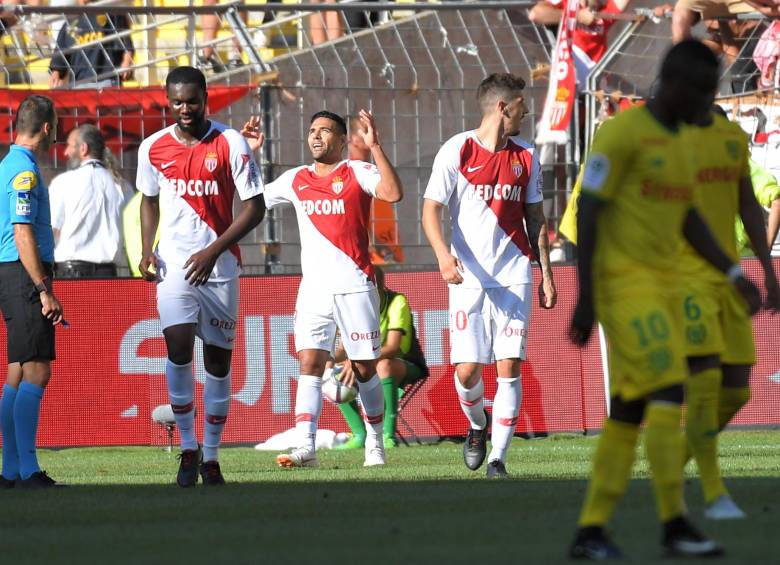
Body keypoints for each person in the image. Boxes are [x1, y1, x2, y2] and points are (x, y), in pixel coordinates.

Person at [567, 40, 762, 559]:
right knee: (671, 388)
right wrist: (586, 297)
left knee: (630, 408)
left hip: (664, 286)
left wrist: (732, 270)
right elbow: (589, 211)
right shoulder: (622, 133)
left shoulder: (681, 143)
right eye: (701, 92)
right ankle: (674, 522)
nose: (707, 102)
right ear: (673, 85)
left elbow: (689, 217)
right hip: (623, 288)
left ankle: (591, 531)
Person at [241, 109, 403, 468]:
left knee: (363, 369)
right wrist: (247, 155)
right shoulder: (296, 179)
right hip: (313, 290)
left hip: (355, 287)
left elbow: (393, 193)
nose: (316, 136)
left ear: (343, 141)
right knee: (310, 363)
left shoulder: (356, 171)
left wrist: (375, 147)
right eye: (312, 130)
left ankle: (375, 441)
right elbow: (252, 199)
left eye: (326, 131)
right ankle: (305, 446)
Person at [422, 73, 558, 479]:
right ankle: (478, 425)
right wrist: (443, 256)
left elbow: (536, 218)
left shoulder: (526, 156)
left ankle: (498, 458)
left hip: (514, 271)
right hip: (467, 276)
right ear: (503, 107)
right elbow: (431, 209)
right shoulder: (457, 150)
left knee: (509, 365)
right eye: (521, 105)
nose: (526, 112)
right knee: (467, 371)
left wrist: (546, 273)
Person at [137, 66, 266, 487]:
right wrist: (145, 249)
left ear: (205, 98)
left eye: (192, 100)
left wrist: (212, 250)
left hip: (221, 264)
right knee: (177, 347)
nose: (185, 108)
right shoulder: (152, 147)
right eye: (176, 101)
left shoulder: (230, 142)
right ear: (167, 101)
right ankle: (189, 447)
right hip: (174, 265)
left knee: (218, 362)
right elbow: (148, 201)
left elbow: (255, 208)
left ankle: (212, 455)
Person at [678, 103, 780, 520]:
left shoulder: (735, 155)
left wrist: (766, 270)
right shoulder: (674, 159)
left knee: (738, 388)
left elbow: (757, 206)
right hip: (688, 279)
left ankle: (674, 458)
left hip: (732, 278)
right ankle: (714, 493)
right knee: (703, 385)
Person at [0, 94, 65, 488]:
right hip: (23, 275)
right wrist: (43, 287)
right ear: (46, 128)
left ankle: (10, 471)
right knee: (38, 369)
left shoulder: (7, 164)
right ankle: (27, 469)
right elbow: (22, 230)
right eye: (55, 125)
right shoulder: (23, 171)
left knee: (16, 372)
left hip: (10, 272)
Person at [333, 265, 428, 450]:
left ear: (379, 287)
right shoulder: (352, 307)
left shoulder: (397, 301)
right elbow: (343, 351)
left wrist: (357, 360)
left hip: (405, 364)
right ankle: (360, 434)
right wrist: (327, 359)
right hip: (368, 364)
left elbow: (393, 348)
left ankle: (387, 435)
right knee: (334, 375)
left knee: (384, 365)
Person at [48, 124, 129, 278]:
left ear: (83, 148)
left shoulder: (63, 182)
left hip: (70, 273)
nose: (65, 152)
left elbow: (52, 230)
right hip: (111, 274)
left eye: (69, 146)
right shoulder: (123, 186)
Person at [528, 0, 631, 87]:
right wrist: (577, 16)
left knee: (633, 100)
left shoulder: (604, 12)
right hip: (571, 79)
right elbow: (535, 14)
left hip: (596, 82)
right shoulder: (567, 3)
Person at [49, 0, 134, 88]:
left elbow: (126, 45)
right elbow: (59, 57)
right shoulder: (69, 23)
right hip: (80, 84)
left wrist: (127, 62)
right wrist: (55, 73)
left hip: (108, 80)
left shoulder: (112, 14)